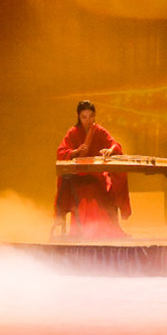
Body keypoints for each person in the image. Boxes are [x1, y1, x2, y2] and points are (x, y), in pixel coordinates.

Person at [52, 100, 131, 239]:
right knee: (87, 191)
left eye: (91, 116)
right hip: (79, 176)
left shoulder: (99, 131)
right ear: (79, 117)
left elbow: (114, 144)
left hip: (97, 175)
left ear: (94, 116)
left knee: (106, 188)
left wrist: (110, 150)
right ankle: (86, 231)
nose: (88, 120)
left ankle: (106, 229)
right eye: (84, 117)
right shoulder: (73, 132)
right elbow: (61, 151)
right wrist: (75, 151)